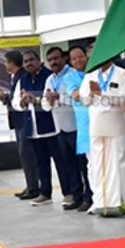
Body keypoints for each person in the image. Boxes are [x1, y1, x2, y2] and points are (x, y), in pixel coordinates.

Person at [80, 56, 125, 217]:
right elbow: (84, 100)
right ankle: (102, 203)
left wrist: (102, 94)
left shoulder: (122, 73)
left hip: (116, 123)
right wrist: (91, 94)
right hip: (97, 125)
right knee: (99, 164)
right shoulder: (90, 75)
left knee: (121, 162)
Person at [13, 51, 70, 207]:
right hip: (33, 130)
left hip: (52, 127)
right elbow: (15, 102)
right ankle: (45, 193)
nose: (29, 64)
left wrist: (36, 99)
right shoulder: (23, 79)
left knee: (61, 162)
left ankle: (68, 192)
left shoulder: (49, 76)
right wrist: (23, 102)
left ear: (39, 61)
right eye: (26, 61)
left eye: (31, 60)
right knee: (41, 163)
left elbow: (51, 98)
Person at [42, 47, 83, 210]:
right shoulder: (50, 79)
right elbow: (45, 103)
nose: (53, 62)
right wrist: (50, 101)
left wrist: (57, 97)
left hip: (76, 126)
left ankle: (88, 197)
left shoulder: (73, 75)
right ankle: (76, 196)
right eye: (50, 60)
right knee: (69, 165)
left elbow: (76, 99)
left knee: (82, 164)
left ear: (64, 59)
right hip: (60, 128)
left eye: (56, 58)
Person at [0, 51, 39, 201]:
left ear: (12, 63)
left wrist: (5, 97)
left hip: (24, 120)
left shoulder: (22, 77)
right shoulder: (15, 77)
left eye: (6, 61)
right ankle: (31, 184)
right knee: (25, 155)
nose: (4, 64)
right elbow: (14, 98)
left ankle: (34, 187)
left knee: (27, 154)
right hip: (18, 121)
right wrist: (5, 98)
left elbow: (20, 99)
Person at [64, 45, 94, 212]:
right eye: (74, 59)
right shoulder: (70, 77)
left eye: (80, 56)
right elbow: (75, 95)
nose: (78, 61)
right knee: (87, 165)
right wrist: (91, 90)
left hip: (101, 121)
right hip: (83, 125)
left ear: (86, 56)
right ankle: (88, 198)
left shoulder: (94, 71)